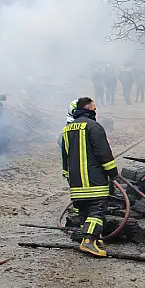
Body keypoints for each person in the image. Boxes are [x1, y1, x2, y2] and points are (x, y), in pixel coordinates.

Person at [61, 97, 118, 257]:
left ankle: (89, 237)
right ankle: (88, 241)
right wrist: (113, 173)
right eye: (94, 109)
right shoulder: (94, 127)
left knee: (84, 211)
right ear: (88, 110)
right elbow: (103, 153)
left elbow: (65, 157)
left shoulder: (67, 129)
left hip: (76, 183)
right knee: (97, 211)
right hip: (94, 182)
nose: (95, 112)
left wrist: (69, 178)